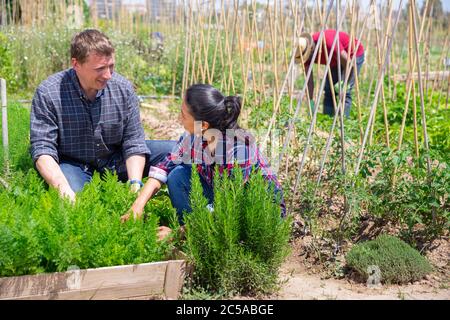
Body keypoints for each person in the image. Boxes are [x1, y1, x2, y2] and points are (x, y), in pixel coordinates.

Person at [121, 84, 286, 238]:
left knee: (232, 229)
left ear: (204, 125)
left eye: (184, 115)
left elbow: (230, 208)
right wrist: (138, 205)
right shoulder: (195, 138)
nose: (180, 119)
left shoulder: (238, 150)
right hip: (222, 197)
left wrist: (175, 235)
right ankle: (194, 232)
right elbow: (165, 167)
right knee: (177, 175)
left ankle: (193, 233)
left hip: (255, 209)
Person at [30, 29, 176, 202]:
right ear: (76, 64)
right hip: (74, 164)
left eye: (111, 66)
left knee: (179, 152)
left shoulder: (122, 88)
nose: (108, 75)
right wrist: (62, 187)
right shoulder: (49, 93)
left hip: (116, 159)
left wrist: (135, 183)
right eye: (100, 69)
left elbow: (134, 141)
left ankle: (196, 200)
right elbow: (43, 149)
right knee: (76, 199)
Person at [295, 29, 365, 118]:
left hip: (352, 55)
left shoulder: (328, 42)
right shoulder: (304, 54)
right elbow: (309, 80)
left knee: (343, 92)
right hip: (334, 60)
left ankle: (343, 123)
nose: (307, 59)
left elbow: (349, 64)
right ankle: (327, 120)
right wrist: (310, 101)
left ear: (311, 49)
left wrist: (343, 82)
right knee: (329, 90)